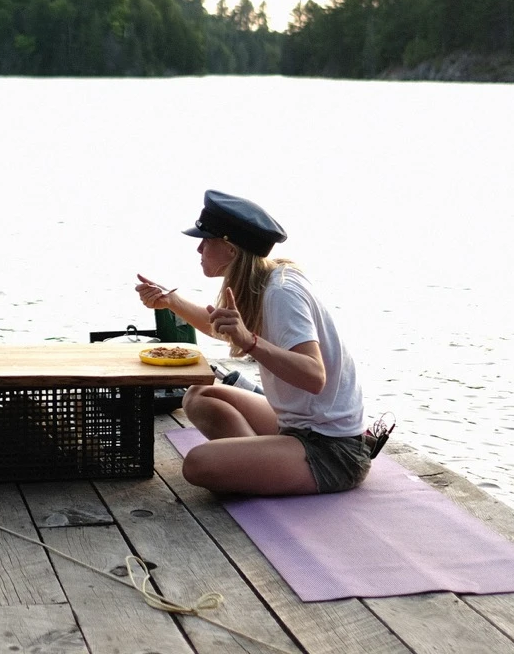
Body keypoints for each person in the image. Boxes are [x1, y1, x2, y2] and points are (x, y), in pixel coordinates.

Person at [135, 190, 371, 496]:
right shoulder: (263, 279)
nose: (199, 248)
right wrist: (172, 301)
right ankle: (259, 463)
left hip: (332, 449)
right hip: (296, 425)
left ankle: (258, 464)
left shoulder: (281, 293)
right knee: (199, 396)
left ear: (231, 250)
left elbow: (314, 375)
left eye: (206, 240)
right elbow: (222, 327)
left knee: (198, 464)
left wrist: (250, 342)